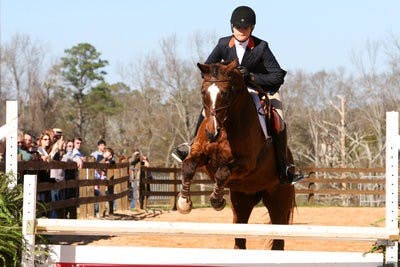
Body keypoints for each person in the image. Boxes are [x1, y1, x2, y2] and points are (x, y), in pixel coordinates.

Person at [171, 5, 303, 184]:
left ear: (252, 28)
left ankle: (284, 168)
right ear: (232, 27)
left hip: (259, 90)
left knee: (278, 122)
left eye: (245, 27)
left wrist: (252, 76)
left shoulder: (261, 47)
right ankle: (192, 146)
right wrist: (226, 72)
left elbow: (277, 76)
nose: (241, 31)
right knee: (208, 110)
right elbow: (208, 70)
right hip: (231, 93)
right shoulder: (223, 44)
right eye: (238, 27)